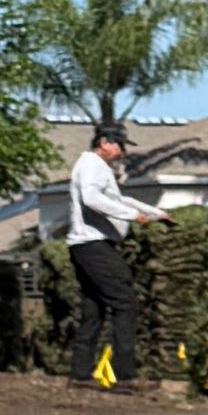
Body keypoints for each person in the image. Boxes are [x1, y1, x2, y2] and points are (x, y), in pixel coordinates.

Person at [61, 111, 159, 395]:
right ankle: (125, 375)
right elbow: (92, 199)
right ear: (103, 142)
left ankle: (80, 374)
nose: (121, 151)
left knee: (93, 309)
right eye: (119, 145)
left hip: (85, 245)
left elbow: (118, 198)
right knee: (125, 302)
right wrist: (131, 216)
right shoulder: (91, 164)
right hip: (94, 244)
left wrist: (155, 213)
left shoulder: (97, 167)